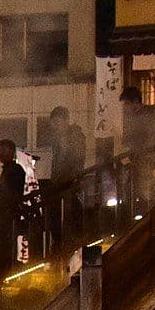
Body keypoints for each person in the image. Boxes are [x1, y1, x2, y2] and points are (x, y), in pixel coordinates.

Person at [41, 106, 87, 247]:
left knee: (68, 207)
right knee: (59, 209)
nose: (55, 126)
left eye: (57, 122)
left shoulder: (75, 136)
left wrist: (73, 175)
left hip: (69, 179)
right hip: (61, 180)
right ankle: (62, 240)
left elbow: (76, 159)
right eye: (53, 123)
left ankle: (69, 240)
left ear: (65, 120)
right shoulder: (58, 139)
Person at [0, 139, 35, 267]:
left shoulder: (14, 170)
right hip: (8, 215)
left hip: (8, 215)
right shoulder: (11, 169)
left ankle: (8, 268)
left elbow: (12, 193)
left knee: (8, 245)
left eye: (2, 150)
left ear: (11, 151)